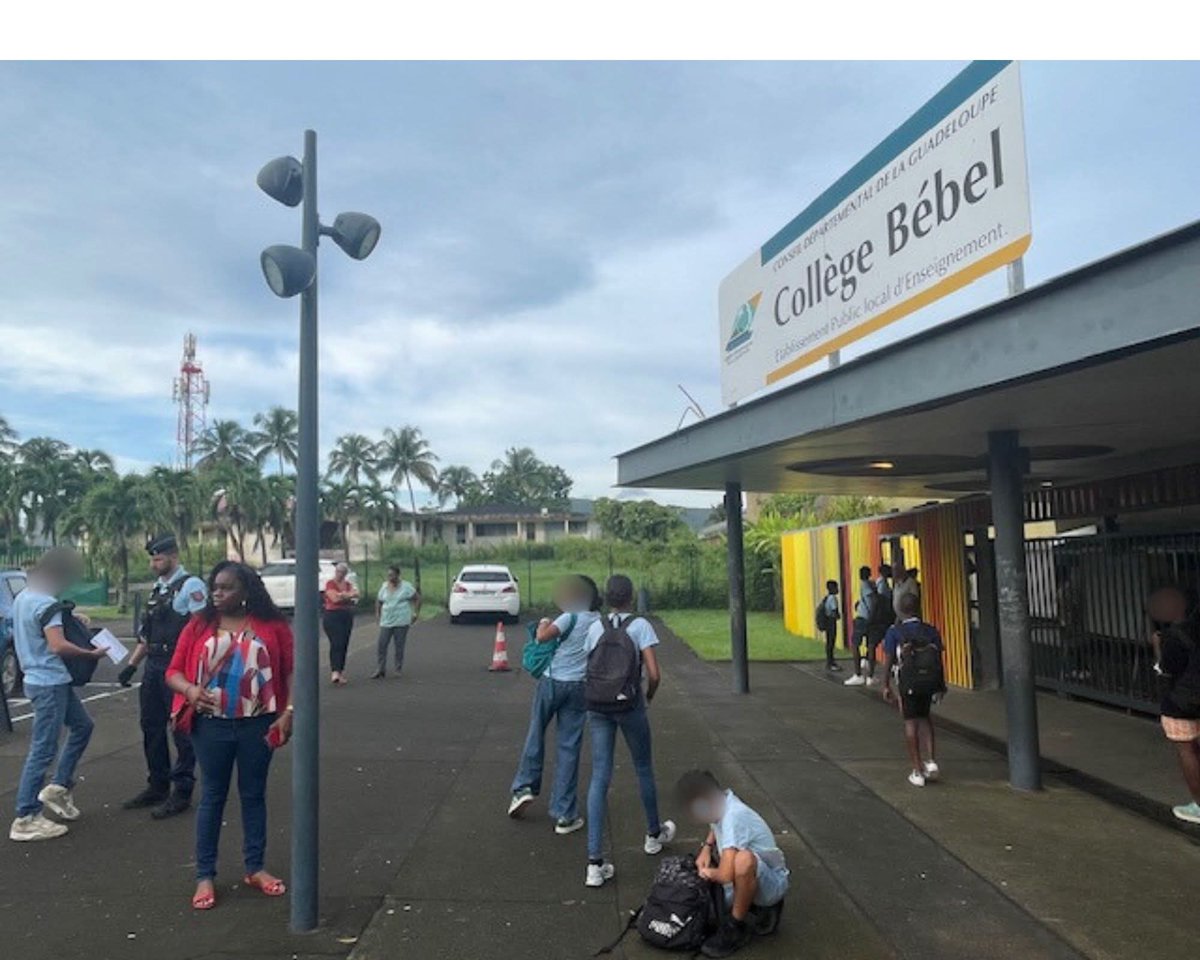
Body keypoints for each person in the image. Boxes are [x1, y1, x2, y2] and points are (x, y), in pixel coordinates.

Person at [166, 561, 294, 910]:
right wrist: (190, 690)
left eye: (226, 587)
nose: (217, 593)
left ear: (246, 590)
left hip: (260, 725)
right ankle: (205, 875)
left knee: (254, 796)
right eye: (215, 587)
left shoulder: (273, 626)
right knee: (212, 797)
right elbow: (173, 671)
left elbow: (291, 673)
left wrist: (288, 712)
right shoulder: (199, 626)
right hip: (211, 727)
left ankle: (255, 868)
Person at [582, 574, 676, 888]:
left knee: (599, 777)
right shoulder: (640, 627)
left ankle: (594, 863)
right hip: (629, 706)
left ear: (607, 598)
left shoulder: (595, 627)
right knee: (643, 768)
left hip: (598, 707)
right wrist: (646, 697)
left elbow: (589, 666)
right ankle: (653, 834)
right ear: (630, 597)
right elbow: (654, 673)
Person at [9, 548, 106, 842]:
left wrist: (71, 617)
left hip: (40, 679)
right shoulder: (46, 604)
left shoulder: (25, 597)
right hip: (49, 681)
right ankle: (26, 816)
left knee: (82, 726)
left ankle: (58, 787)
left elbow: (41, 628)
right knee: (43, 748)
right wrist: (91, 653)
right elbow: (57, 646)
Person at [119, 534, 208, 819]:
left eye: (158, 558)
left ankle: (181, 791)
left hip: (177, 665)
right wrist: (132, 665)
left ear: (173, 556)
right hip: (154, 664)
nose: (153, 563)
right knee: (151, 726)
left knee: (181, 728)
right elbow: (149, 635)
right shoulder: (158, 588)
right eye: (152, 558)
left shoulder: (191, 586)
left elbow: (201, 629)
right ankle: (157, 785)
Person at [508, 574, 601, 834]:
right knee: (569, 747)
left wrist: (545, 622)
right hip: (580, 687)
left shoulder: (569, 617)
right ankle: (564, 813)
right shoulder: (597, 622)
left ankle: (524, 787)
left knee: (536, 733)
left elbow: (542, 637)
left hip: (552, 682)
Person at [676, 770, 789, 958]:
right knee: (707, 913)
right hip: (752, 875)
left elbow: (726, 874)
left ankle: (736, 927)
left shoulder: (733, 817)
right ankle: (749, 900)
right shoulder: (723, 801)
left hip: (773, 883)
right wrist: (706, 847)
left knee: (743, 860)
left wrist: (707, 873)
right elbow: (714, 826)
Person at [1147, 586, 1200, 824]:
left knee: (1187, 750)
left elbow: (1166, 669)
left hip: (1183, 700)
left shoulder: (1176, 635)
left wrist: (1157, 646)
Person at [882, 592, 945, 787]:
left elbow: (889, 659)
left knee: (910, 722)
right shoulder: (930, 630)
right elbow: (938, 657)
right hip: (929, 682)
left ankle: (917, 771)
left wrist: (885, 684)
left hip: (908, 683)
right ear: (918, 608)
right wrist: (940, 684)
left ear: (900, 609)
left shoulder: (895, 632)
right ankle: (931, 762)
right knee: (925, 717)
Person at [372, 565, 421, 679]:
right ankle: (380, 669)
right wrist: (377, 614)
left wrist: (415, 613)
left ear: (398, 575)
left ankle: (398, 668)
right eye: (388, 575)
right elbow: (379, 601)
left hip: (401, 620)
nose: (390, 577)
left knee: (399, 645)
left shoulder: (406, 586)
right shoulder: (384, 586)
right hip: (386, 620)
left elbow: (417, 598)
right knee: (382, 645)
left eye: (392, 575)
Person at [323, 562, 358, 685]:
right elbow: (334, 599)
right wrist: (347, 596)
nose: (340, 574)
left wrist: (344, 595)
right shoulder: (330, 583)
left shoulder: (348, 584)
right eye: (338, 571)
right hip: (332, 616)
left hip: (346, 616)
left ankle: (340, 671)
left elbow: (356, 594)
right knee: (336, 642)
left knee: (344, 643)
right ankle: (335, 671)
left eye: (342, 572)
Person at [843, 567, 877, 687]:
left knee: (855, 644)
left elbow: (872, 600)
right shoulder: (872, 584)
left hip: (864, 618)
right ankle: (870, 676)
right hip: (870, 618)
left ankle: (858, 674)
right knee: (871, 645)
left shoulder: (865, 585)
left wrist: (870, 615)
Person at [817, 580, 841, 672]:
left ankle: (830, 662)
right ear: (832, 589)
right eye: (836, 587)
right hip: (831, 622)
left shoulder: (827, 598)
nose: (837, 589)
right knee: (831, 642)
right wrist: (838, 616)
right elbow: (834, 611)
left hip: (827, 621)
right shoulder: (833, 598)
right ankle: (831, 663)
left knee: (829, 643)